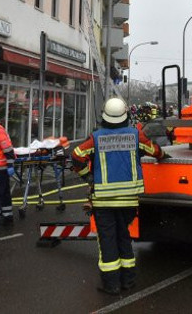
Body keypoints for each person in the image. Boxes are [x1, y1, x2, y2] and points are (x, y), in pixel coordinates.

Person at [70, 97, 168, 295]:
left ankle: (111, 284)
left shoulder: (96, 137)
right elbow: (154, 150)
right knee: (124, 236)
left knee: (108, 241)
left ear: (104, 116)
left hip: (103, 202)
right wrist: (163, 156)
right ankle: (128, 280)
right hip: (128, 200)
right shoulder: (135, 135)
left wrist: (88, 177)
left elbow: (77, 155)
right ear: (125, 115)